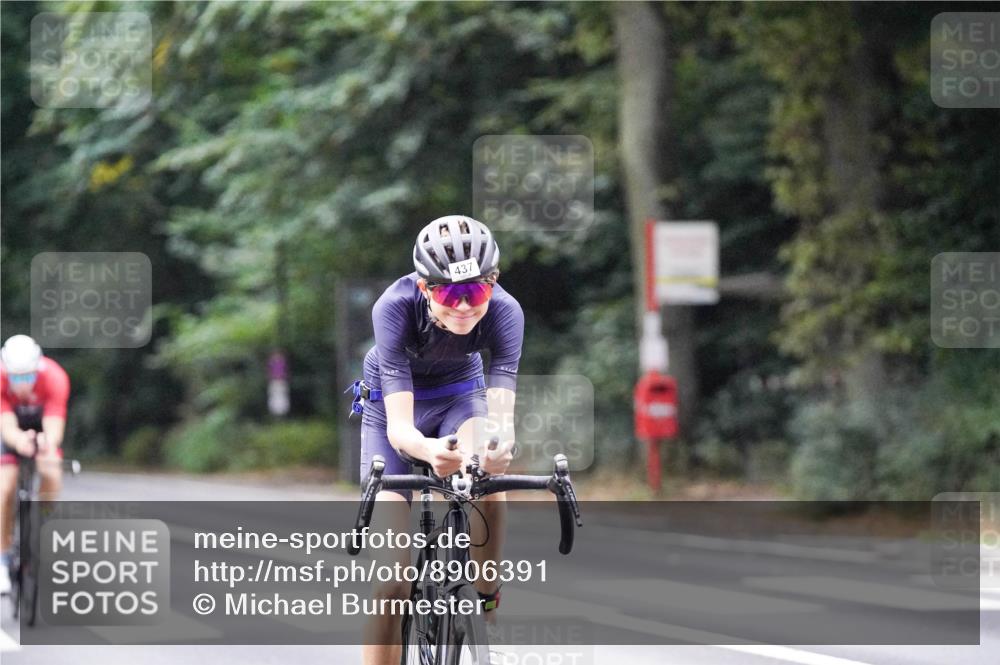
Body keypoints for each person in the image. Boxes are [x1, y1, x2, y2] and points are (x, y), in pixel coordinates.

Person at [353, 215, 522, 665]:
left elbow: (501, 409)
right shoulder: (393, 306)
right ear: (426, 287)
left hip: (460, 396)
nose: (464, 307)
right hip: (393, 406)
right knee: (392, 580)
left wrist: (499, 445)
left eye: (476, 292)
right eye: (449, 293)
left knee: (489, 473)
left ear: (494, 282)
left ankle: (486, 591)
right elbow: (400, 429)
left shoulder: (506, 312)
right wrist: (429, 452)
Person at [0, 335, 70, 595]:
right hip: (11, 433)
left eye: (27, 377)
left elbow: (54, 423)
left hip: (42, 428)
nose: (21, 384)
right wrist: (20, 442)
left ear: (37, 367)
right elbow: (6, 425)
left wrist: (47, 443)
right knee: (4, 490)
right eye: (16, 378)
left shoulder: (55, 377)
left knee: (51, 471)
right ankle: (3, 556)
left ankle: (42, 528)